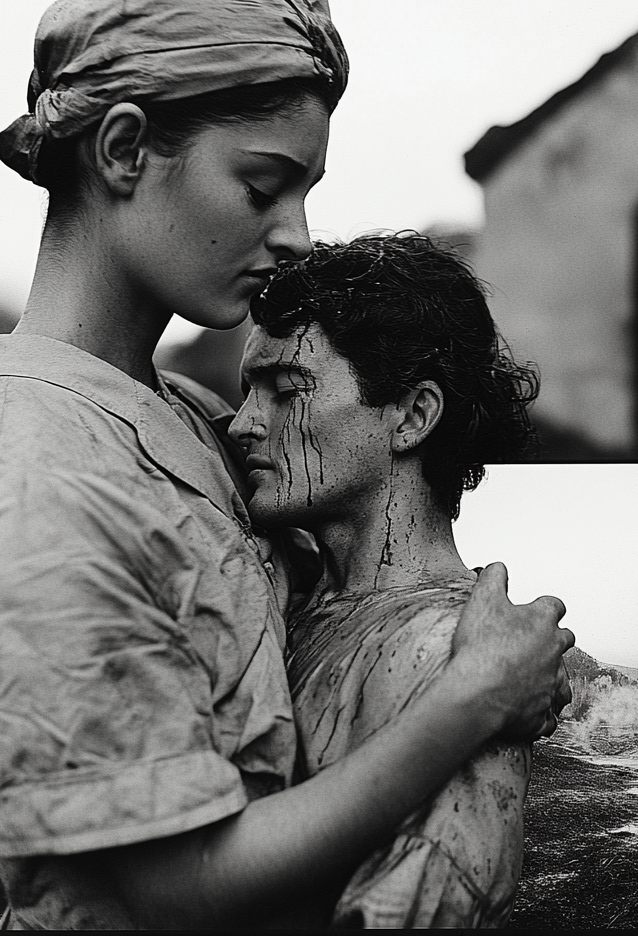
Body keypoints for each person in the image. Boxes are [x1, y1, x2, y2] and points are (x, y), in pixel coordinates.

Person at [0, 0, 573, 931]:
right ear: (121, 151)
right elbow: (180, 893)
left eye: (306, 191)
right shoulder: (46, 491)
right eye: (263, 184)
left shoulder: (176, 415)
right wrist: (472, 700)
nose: (296, 233)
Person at [230, 233, 542, 926]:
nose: (244, 423)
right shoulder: (288, 592)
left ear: (412, 415)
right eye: (246, 390)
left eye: (285, 391)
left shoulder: (455, 656)